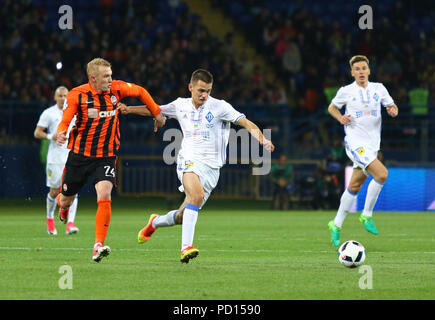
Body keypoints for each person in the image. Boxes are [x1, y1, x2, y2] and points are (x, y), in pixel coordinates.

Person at [118, 69, 275, 263]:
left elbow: (246, 123)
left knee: (183, 216)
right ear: (190, 87)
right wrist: (129, 109)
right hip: (188, 159)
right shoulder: (180, 105)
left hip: (212, 170)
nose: (204, 95)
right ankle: (186, 247)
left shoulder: (220, 107)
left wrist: (262, 140)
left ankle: (155, 222)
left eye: (208, 91)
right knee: (196, 195)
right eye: (201, 90)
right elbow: (155, 109)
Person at [56, 58, 166, 262]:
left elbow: (141, 91)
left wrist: (157, 113)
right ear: (93, 79)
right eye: (106, 76)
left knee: (105, 193)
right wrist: (61, 132)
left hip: (106, 156)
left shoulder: (116, 89)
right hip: (79, 156)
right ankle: (63, 207)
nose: (110, 79)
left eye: (111, 75)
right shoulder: (77, 95)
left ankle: (98, 245)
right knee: (65, 199)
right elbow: (66, 119)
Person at [327, 55, 399, 246]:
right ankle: (366, 215)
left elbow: (392, 106)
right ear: (352, 73)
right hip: (355, 143)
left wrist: (393, 110)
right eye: (357, 69)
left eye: (363, 68)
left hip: (372, 145)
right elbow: (332, 108)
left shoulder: (379, 88)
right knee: (382, 174)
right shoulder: (346, 91)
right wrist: (340, 118)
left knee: (354, 186)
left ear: (369, 70)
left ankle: (335, 225)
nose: (360, 71)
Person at [34, 86, 79, 235]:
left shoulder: (74, 112)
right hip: (55, 159)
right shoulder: (49, 113)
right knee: (54, 192)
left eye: (65, 95)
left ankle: (70, 224)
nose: (63, 98)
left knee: (73, 191)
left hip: (71, 156)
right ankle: (50, 220)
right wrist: (50, 136)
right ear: (55, 97)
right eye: (60, 95)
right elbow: (37, 132)